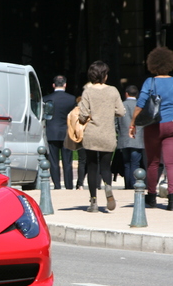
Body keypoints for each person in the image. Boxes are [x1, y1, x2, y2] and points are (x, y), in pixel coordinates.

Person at [78, 60, 125, 213]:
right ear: (104, 75)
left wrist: (86, 118)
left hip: (92, 134)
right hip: (108, 134)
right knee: (106, 166)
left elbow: (83, 115)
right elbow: (121, 111)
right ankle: (108, 187)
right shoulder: (113, 91)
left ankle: (93, 202)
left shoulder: (87, 91)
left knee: (92, 166)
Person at [129, 46, 173, 210]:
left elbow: (140, 105)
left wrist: (133, 123)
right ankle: (171, 200)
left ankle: (152, 197)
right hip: (172, 125)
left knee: (153, 163)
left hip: (153, 126)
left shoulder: (150, 82)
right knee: (171, 164)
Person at [43, 75, 77, 189]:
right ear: (65, 85)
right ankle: (68, 185)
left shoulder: (46, 99)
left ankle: (57, 185)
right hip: (67, 132)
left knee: (53, 161)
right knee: (67, 161)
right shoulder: (71, 99)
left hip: (52, 132)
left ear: (53, 85)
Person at [116, 85, 144, 189]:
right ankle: (133, 185)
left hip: (124, 138)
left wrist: (119, 132)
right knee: (135, 163)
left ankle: (128, 185)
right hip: (138, 138)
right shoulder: (141, 106)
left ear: (126, 94)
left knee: (126, 164)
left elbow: (116, 122)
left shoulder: (121, 105)